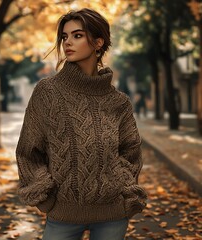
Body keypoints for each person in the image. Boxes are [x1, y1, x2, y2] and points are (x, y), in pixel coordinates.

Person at [16, 8, 147, 240]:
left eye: (77, 35)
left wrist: (124, 191)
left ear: (98, 42)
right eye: (64, 37)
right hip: (63, 215)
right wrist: (46, 198)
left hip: (112, 215)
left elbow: (130, 152)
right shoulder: (47, 92)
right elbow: (29, 151)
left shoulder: (119, 102)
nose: (68, 42)